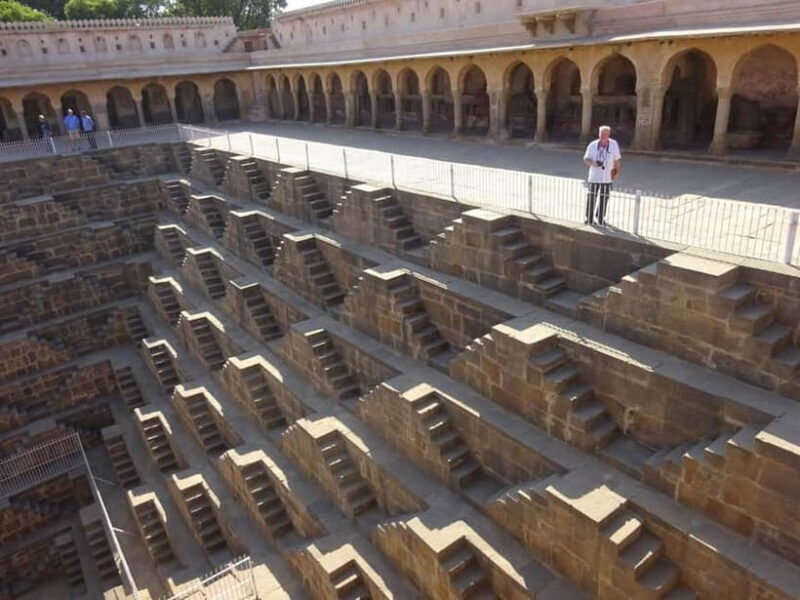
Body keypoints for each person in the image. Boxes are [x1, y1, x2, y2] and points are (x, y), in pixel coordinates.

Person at [583, 125, 621, 226]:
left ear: (609, 135)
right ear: (599, 134)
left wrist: (616, 172)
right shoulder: (592, 145)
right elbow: (586, 159)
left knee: (604, 198)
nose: (603, 136)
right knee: (592, 197)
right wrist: (593, 163)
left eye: (605, 134)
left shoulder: (613, 145)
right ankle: (589, 218)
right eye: (601, 134)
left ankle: (600, 218)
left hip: (607, 177)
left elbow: (617, 160)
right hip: (594, 176)